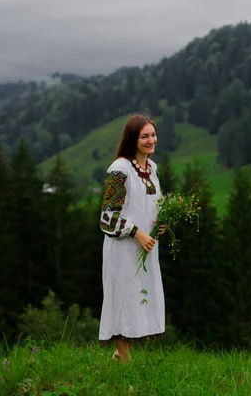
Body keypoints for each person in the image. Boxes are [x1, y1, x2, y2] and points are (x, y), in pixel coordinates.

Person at [98, 113, 166, 364]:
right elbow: (107, 217)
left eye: (153, 134)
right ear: (132, 139)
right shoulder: (120, 169)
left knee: (140, 296)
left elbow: (152, 205)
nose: (151, 140)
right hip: (123, 248)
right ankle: (124, 361)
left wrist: (160, 224)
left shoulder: (152, 168)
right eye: (144, 136)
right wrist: (137, 232)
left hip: (146, 247)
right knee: (123, 297)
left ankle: (119, 355)